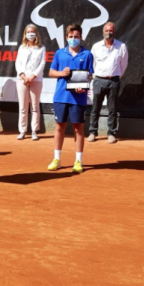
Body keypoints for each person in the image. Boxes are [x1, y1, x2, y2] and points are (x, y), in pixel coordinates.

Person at [46, 24, 94, 174]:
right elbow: (51, 72)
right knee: (59, 126)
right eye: (71, 36)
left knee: (78, 128)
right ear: (66, 37)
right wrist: (61, 73)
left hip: (78, 98)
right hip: (61, 96)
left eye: (76, 36)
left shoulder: (87, 54)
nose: (73, 39)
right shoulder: (60, 53)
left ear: (81, 37)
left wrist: (84, 87)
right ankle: (56, 159)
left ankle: (78, 161)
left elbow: (90, 75)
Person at [89, 22, 129, 144]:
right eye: (106, 30)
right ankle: (92, 132)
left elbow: (124, 64)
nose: (108, 32)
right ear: (103, 32)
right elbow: (92, 63)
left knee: (112, 109)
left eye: (110, 30)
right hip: (98, 80)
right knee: (95, 108)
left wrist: (116, 76)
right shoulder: (96, 46)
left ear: (114, 32)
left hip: (114, 81)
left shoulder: (121, 46)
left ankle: (111, 133)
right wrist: (95, 77)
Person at [15, 24, 45, 141]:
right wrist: (23, 76)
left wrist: (33, 76)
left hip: (36, 80)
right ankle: (22, 131)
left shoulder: (41, 48)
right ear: (25, 34)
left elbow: (42, 63)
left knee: (35, 107)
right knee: (23, 107)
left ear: (36, 33)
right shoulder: (21, 48)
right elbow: (18, 63)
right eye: (28, 32)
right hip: (22, 80)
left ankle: (34, 131)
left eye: (32, 32)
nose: (30, 34)